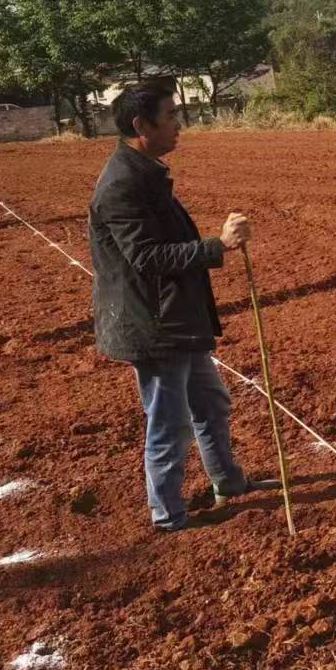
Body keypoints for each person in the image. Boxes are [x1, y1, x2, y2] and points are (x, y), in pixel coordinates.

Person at [89, 81, 263, 531]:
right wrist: (217, 245)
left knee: (210, 404)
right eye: (170, 116)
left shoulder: (146, 172)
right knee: (169, 422)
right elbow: (147, 258)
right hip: (155, 324)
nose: (178, 125)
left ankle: (228, 482)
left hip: (175, 318)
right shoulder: (122, 185)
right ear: (140, 125)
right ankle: (168, 516)